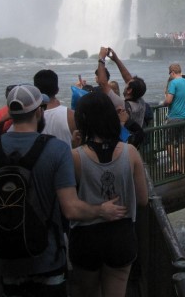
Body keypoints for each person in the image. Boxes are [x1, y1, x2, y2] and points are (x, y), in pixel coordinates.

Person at [0, 84, 125, 296]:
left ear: (10, 114)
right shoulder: (57, 149)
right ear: (39, 112)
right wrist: (101, 210)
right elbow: (71, 209)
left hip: (5, 261)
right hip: (48, 259)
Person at [69, 91, 148, 297]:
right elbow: (142, 199)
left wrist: (74, 147)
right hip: (121, 234)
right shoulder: (130, 152)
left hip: (86, 237)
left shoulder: (74, 156)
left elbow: (68, 204)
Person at [163, 63, 185, 174]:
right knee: (183, 142)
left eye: (169, 73)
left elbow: (169, 100)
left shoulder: (173, 83)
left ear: (172, 72)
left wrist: (164, 103)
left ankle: (174, 165)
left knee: (168, 142)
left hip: (174, 117)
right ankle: (183, 168)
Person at [34, 69, 77, 148]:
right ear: (57, 90)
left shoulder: (29, 117)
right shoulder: (72, 115)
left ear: (36, 91)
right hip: (67, 159)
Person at [106, 47, 148, 128]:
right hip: (135, 138)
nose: (126, 83)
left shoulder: (122, 105)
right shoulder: (141, 102)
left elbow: (103, 84)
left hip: (124, 140)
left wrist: (101, 59)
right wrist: (116, 60)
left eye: (127, 84)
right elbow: (129, 79)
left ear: (129, 90)